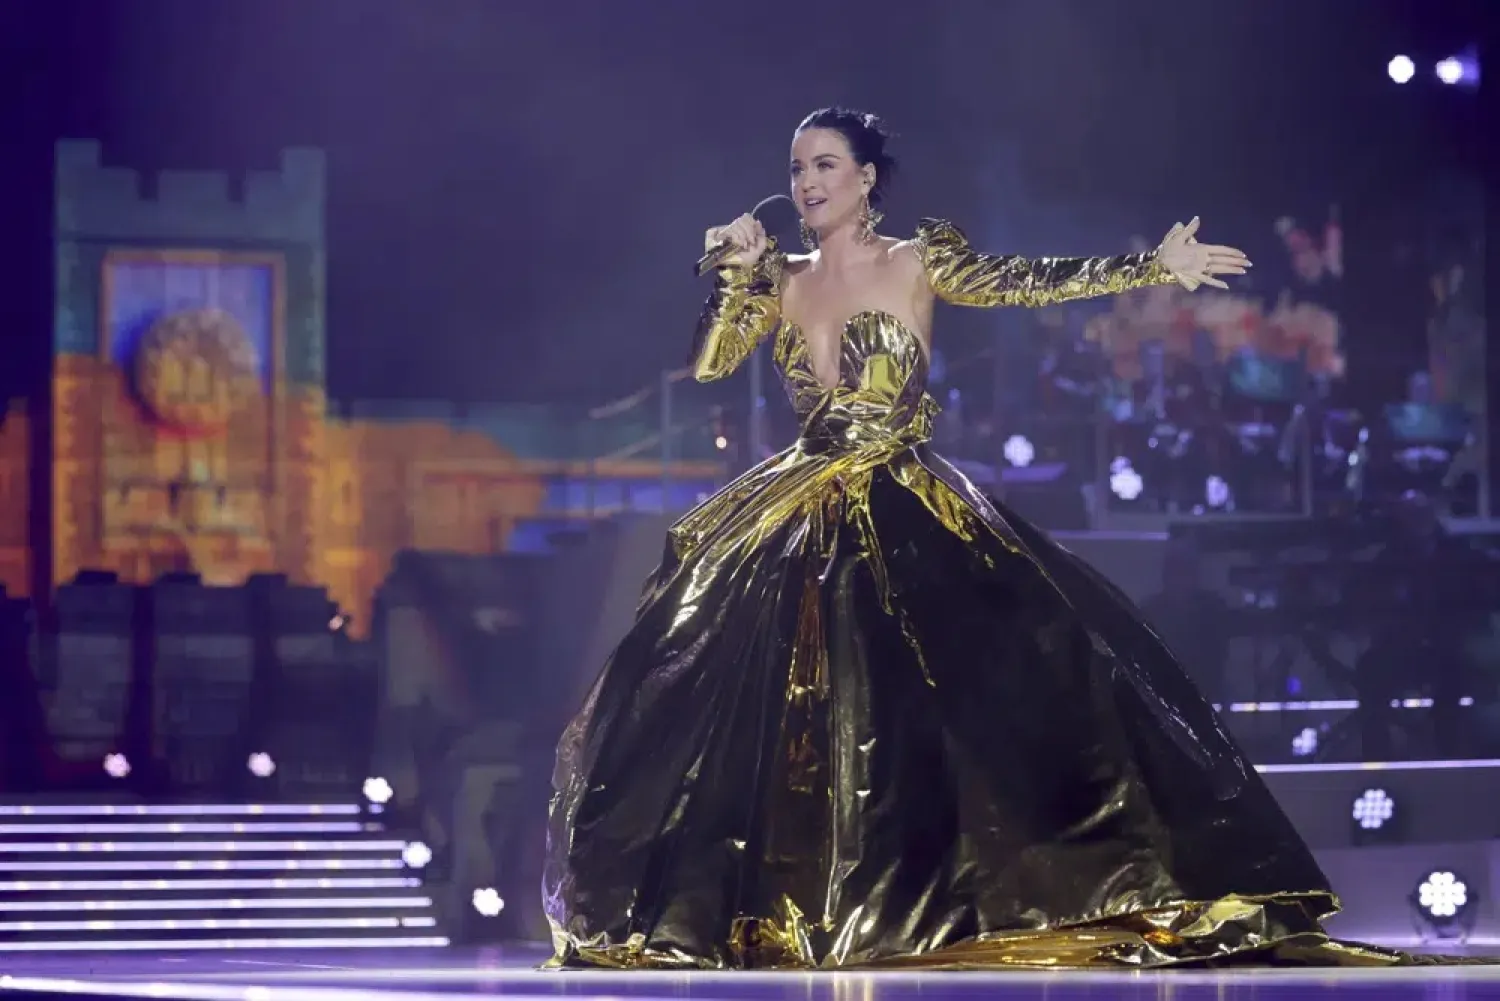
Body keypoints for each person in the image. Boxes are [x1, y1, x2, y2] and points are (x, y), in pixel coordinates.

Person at [543, 108, 1426, 971]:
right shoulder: (782, 278)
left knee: (969, 697)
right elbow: (710, 363)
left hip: (902, 496)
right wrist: (736, 271)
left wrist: (1151, 265)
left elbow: (1026, 280)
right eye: (796, 170)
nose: (806, 183)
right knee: (767, 703)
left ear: (866, 178)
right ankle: (792, 908)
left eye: (823, 165)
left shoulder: (917, 259)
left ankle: (1007, 890)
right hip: (796, 504)